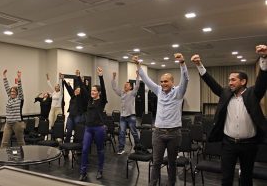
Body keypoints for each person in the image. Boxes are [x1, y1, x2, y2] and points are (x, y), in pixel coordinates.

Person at [191, 45, 267, 186]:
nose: (229, 82)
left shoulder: (253, 94)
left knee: (246, 178)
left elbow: (262, 82)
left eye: (233, 80)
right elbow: (211, 83)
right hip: (228, 144)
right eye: (229, 80)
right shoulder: (226, 93)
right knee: (226, 178)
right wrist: (199, 65)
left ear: (243, 82)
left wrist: (263, 58)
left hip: (249, 145)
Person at [133, 53, 189, 186]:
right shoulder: (158, 90)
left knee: (172, 162)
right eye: (162, 81)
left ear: (172, 82)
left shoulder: (178, 92)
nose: (163, 84)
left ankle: (171, 183)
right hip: (158, 133)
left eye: (166, 81)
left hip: (174, 133)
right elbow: (146, 80)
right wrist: (138, 65)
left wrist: (182, 64)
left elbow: (186, 80)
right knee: (156, 162)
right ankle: (152, 184)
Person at [79, 67, 108, 181]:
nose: (92, 92)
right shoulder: (89, 100)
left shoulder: (102, 101)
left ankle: (100, 170)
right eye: (92, 90)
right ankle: (83, 172)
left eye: (95, 91)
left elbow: (104, 90)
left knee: (100, 150)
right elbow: (84, 89)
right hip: (88, 128)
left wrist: (100, 76)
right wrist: (79, 79)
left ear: (99, 92)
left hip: (99, 128)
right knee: (85, 149)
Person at [111, 71, 140, 155]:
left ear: (130, 87)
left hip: (131, 116)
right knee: (122, 132)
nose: (125, 85)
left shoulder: (132, 93)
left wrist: (137, 76)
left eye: (127, 85)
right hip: (123, 117)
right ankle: (121, 149)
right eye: (124, 84)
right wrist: (113, 78)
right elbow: (114, 88)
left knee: (134, 132)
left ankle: (138, 148)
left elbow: (137, 85)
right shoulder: (122, 93)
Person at [0, 69, 25, 149]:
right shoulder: (9, 98)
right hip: (8, 123)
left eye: (14, 92)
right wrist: (4, 76)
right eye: (11, 92)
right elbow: (6, 86)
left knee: (20, 142)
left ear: (17, 93)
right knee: (4, 142)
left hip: (16, 123)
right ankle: (1, 158)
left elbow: (20, 88)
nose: (12, 93)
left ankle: (24, 157)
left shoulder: (19, 99)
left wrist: (19, 78)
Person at [62, 70, 89, 144]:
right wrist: (63, 80)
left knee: (78, 131)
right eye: (76, 89)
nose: (77, 90)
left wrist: (78, 77)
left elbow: (82, 87)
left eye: (78, 90)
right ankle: (66, 147)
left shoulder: (82, 98)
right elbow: (68, 88)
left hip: (78, 116)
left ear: (80, 92)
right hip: (71, 116)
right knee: (69, 132)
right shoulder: (73, 96)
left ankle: (77, 146)